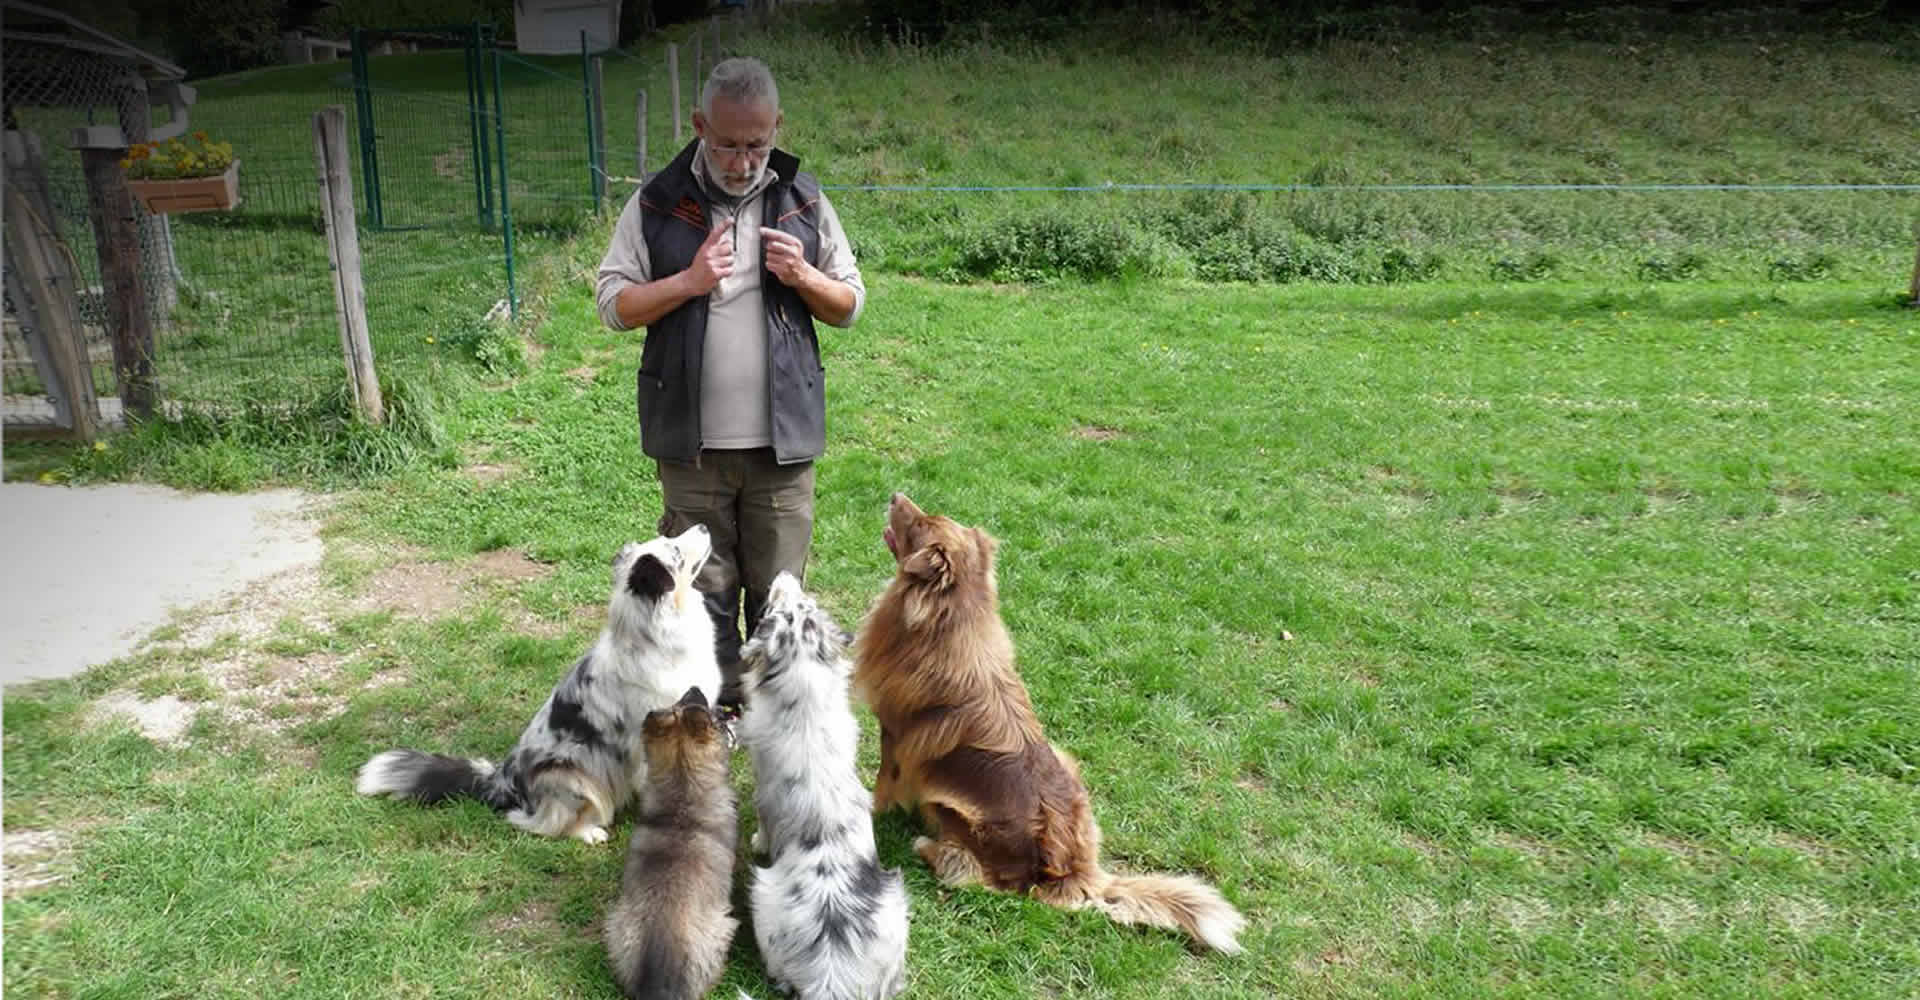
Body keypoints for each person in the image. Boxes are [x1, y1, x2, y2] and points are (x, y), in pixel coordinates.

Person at [595, 56, 865, 708]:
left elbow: (849, 305)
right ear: (698, 126)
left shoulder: (803, 199)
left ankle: (775, 712)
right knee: (704, 593)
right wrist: (689, 281)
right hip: (690, 444)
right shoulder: (658, 201)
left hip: (783, 443)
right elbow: (613, 304)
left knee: (778, 588)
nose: (742, 160)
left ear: (776, 127)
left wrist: (805, 277)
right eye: (727, 144)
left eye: (757, 144)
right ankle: (714, 714)